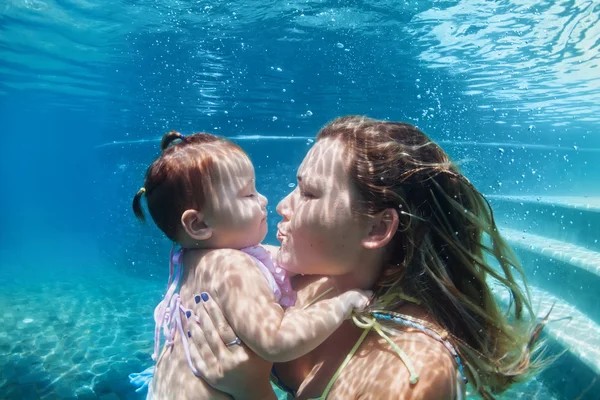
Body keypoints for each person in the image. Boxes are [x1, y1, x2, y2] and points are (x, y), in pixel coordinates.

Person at [180, 116, 547, 399]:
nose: (281, 206)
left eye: (308, 194)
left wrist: (251, 392)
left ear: (376, 229)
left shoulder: (411, 373)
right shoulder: (304, 282)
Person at [129, 130, 372, 399]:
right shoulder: (231, 265)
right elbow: (276, 340)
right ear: (198, 224)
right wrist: (341, 304)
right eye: (248, 195)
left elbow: (270, 260)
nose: (264, 199)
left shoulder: (192, 258)